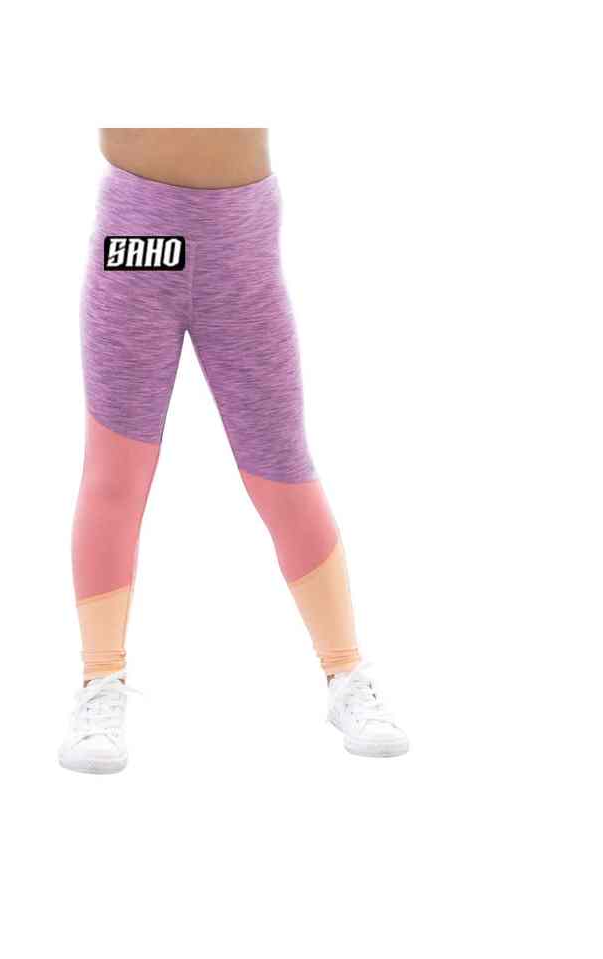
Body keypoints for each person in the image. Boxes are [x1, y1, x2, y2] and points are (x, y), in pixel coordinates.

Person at [59, 129, 408, 773]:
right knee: (116, 473)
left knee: (281, 469)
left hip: (239, 238)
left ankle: (346, 674)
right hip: (140, 237)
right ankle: (100, 681)